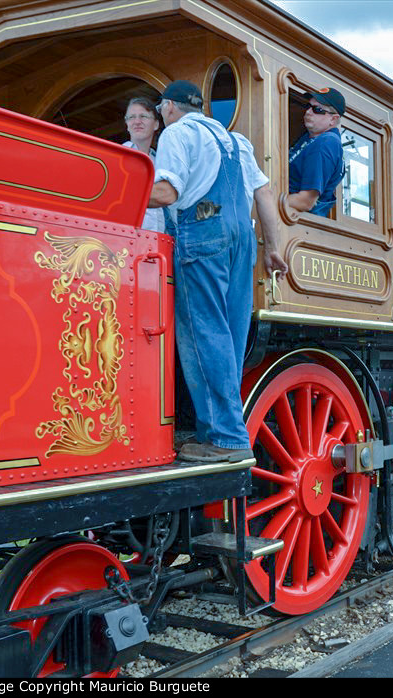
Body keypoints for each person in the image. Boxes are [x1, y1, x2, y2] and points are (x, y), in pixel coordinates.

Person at [148, 80, 287, 463]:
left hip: (202, 230)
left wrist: (119, 192)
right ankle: (222, 430)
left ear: (169, 108)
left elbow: (167, 193)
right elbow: (263, 195)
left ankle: (224, 437)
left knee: (203, 332)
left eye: (160, 110)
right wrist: (272, 249)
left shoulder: (178, 133)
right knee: (230, 333)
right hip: (242, 237)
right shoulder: (235, 140)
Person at [286, 88, 346, 217]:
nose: (308, 112)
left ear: (333, 119)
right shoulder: (311, 138)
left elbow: (306, 201)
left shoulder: (325, 143)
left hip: (296, 223)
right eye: (308, 106)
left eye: (317, 109)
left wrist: (266, 200)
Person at [123, 96, 166, 232]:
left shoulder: (162, 161)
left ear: (156, 124)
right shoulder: (118, 157)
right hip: (127, 238)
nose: (137, 121)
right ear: (127, 125)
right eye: (131, 117)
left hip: (159, 240)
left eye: (143, 116)